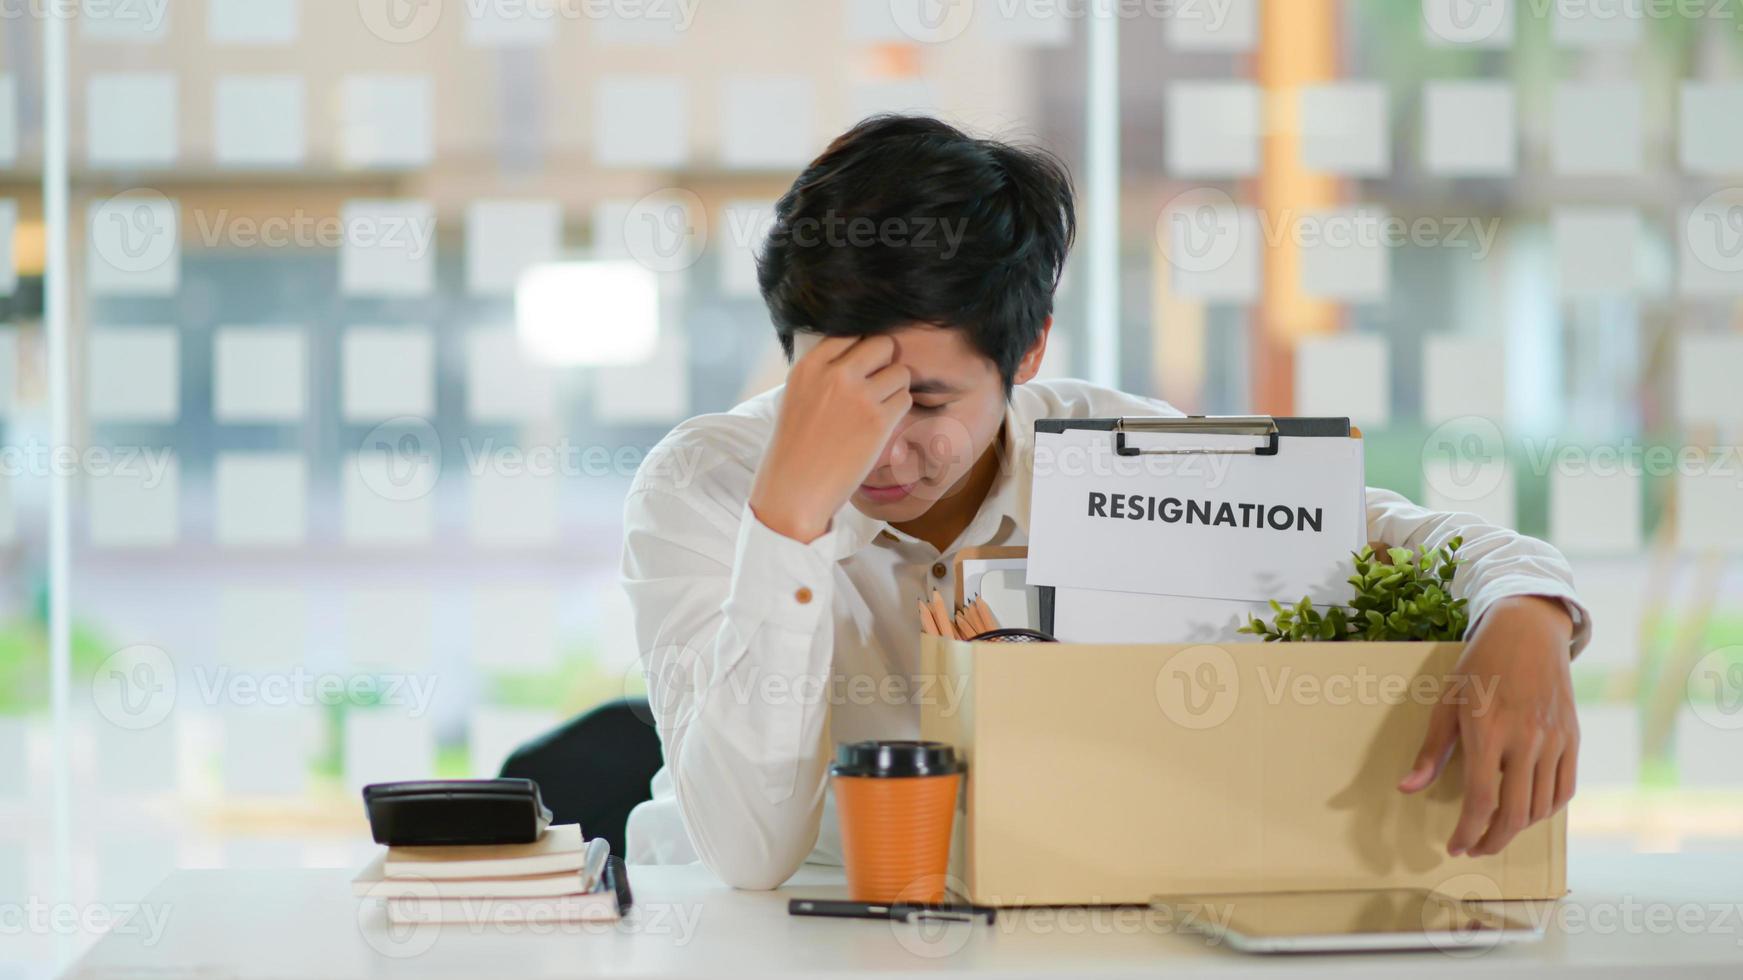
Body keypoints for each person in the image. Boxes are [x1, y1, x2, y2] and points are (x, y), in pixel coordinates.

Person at [620, 115, 1588, 890]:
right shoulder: (701, 484)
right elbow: (750, 854)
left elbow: (1383, 529)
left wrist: (1526, 607)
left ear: (1029, 350)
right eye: (834, 389)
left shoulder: (1113, 453)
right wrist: (790, 514)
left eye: (923, 401)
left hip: (1060, 922)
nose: (879, 442)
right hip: (759, 935)